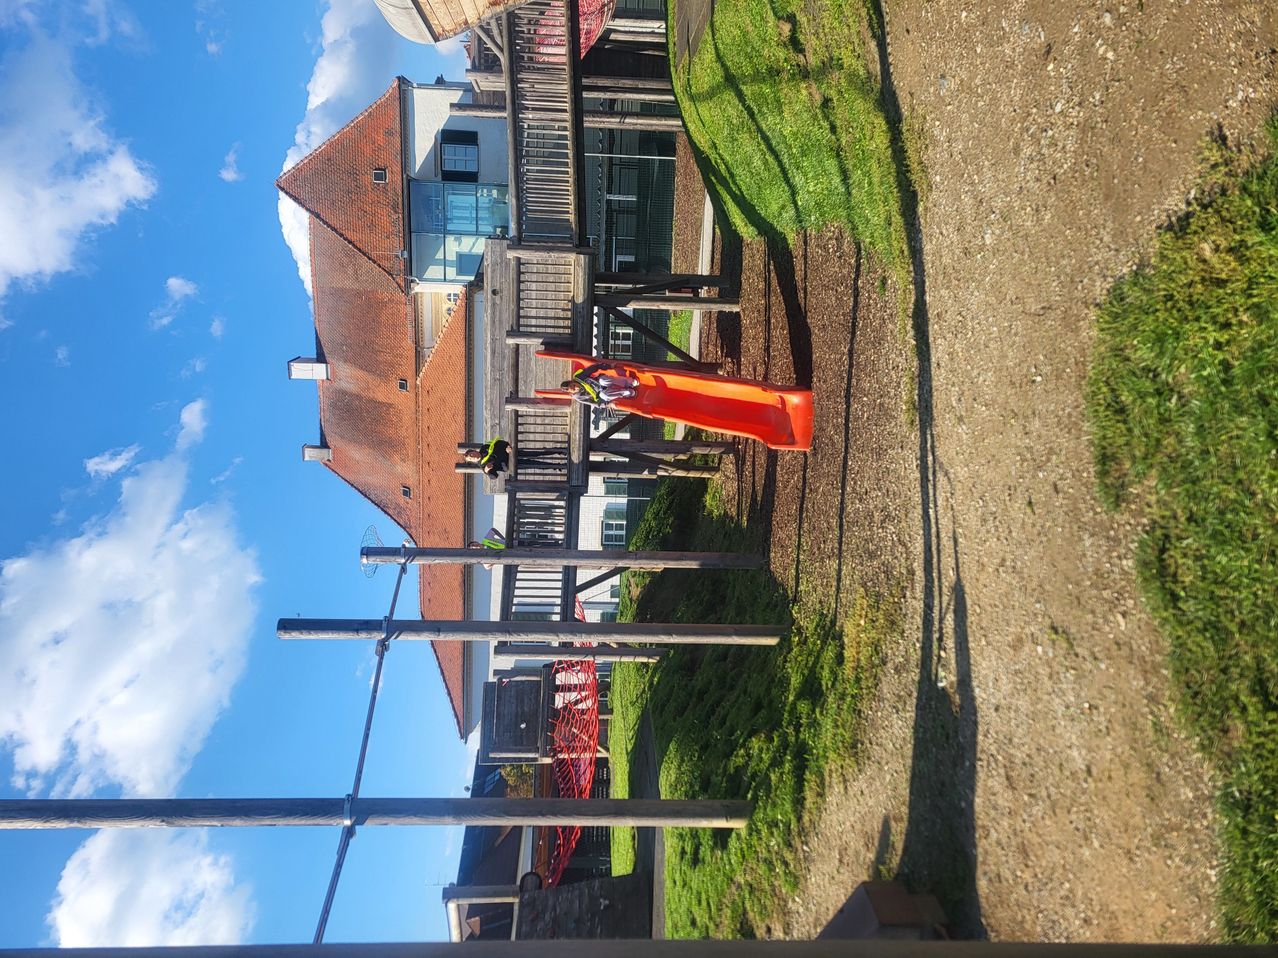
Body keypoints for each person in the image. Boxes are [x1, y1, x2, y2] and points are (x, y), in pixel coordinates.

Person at [560, 362, 640, 407]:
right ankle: (628, 392)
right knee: (604, 395)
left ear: (572, 381)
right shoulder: (578, 397)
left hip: (599, 382)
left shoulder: (579, 377)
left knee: (603, 380)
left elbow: (594, 367)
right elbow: (593, 403)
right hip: (600, 394)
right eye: (574, 389)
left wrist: (609, 365)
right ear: (572, 393)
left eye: (574, 385)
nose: (576, 387)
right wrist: (607, 404)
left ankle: (629, 382)